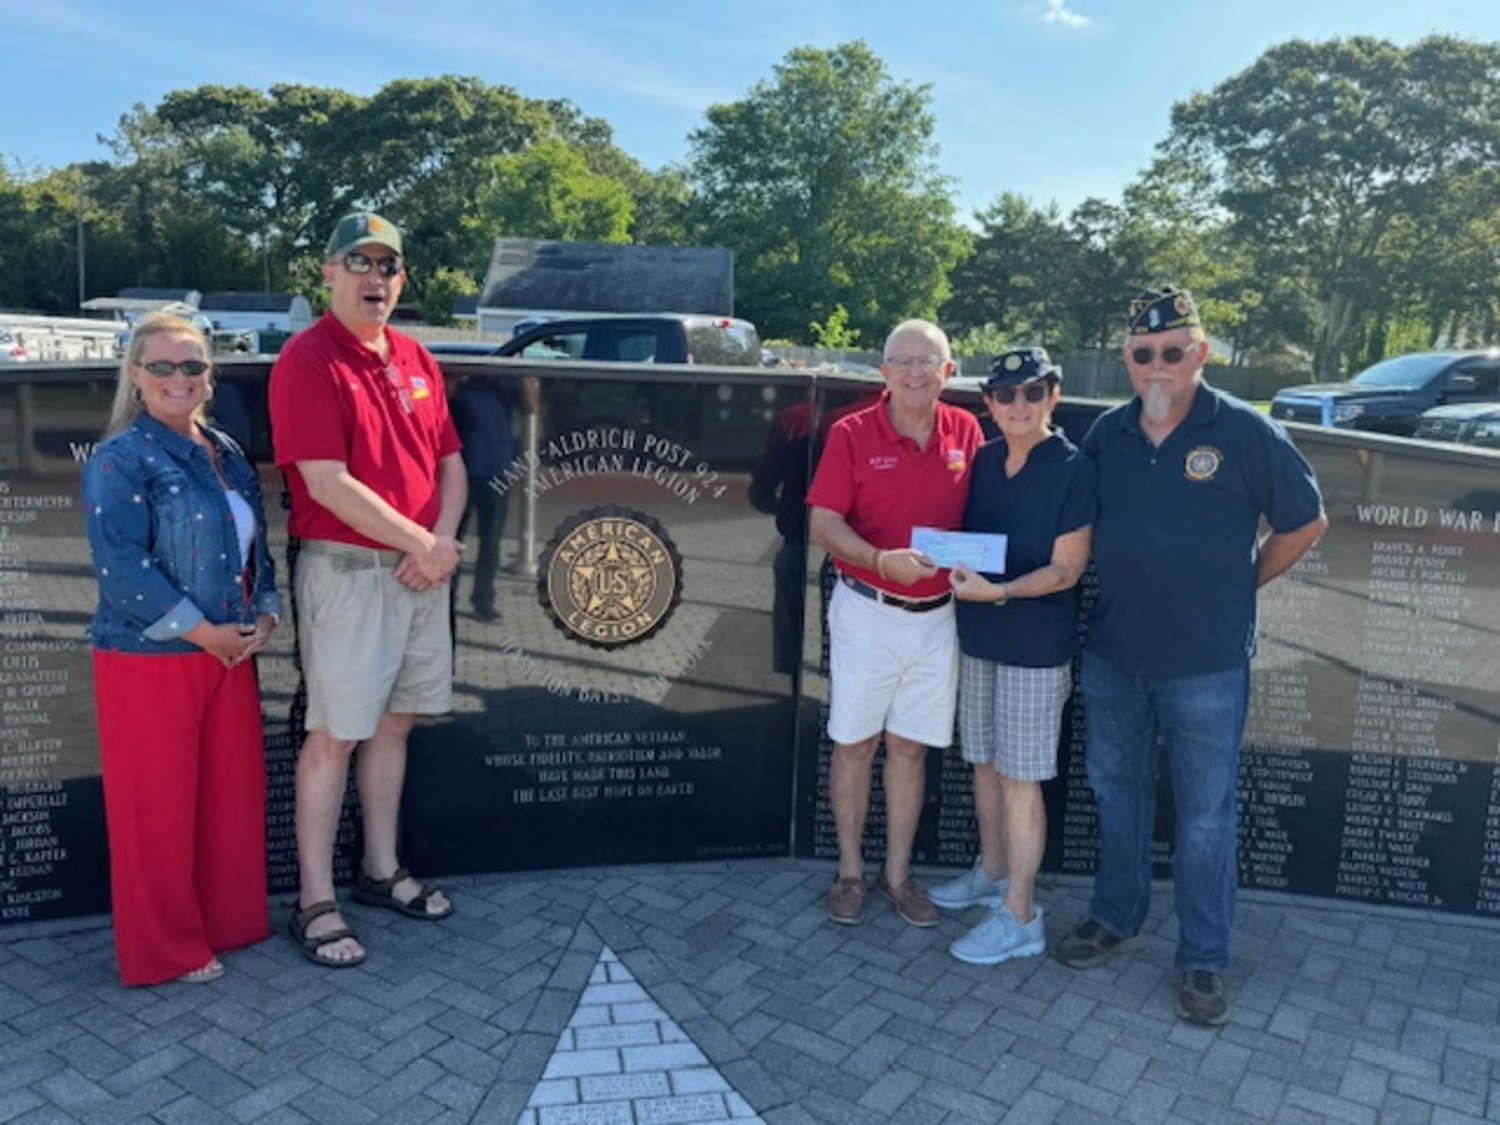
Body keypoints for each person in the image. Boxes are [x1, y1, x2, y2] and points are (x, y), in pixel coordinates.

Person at [1054, 286, 1327, 1026]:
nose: (1158, 365)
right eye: (1144, 353)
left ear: (1201, 353)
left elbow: (1306, 521)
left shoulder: (1242, 431)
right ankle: (1117, 914)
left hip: (1206, 661)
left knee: (1205, 817)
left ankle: (1204, 958)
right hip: (1115, 651)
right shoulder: (1107, 434)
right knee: (1117, 791)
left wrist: (1241, 586)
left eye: (1174, 351)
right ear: (1127, 359)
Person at [269, 212, 466, 968]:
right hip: (350, 574)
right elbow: (325, 480)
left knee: (395, 724)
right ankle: (314, 898)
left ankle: (380, 870)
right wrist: (423, 544)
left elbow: (450, 460)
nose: (375, 279)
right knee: (335, 735)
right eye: (360, 263)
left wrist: (436, 545)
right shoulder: (308, 359)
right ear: (327, 272)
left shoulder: (416, 355)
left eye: (388, 267)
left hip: (421, 573)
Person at [82, 312, 282, 986]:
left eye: (192, 365)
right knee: (157, 815)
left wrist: (266, 614)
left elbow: (256, 550)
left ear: (209, 375)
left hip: (229, 651)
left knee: (229, 798)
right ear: (136, 376)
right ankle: (166, 951)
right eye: (162, 366)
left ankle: (228, 923)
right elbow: (122, 568)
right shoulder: (119, 458)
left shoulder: (223, 448)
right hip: (149, 657)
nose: (179, 378)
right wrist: (206, 632)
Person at [806, 319, 982, 927]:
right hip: (867, 610)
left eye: (927, 362)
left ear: (948, 372)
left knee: (909, 748)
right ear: (883, 371)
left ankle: (898, 875)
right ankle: (851, 873)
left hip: (939, 618)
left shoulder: (968, 431)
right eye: (902, 361)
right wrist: (881, 560)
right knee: (854, 745)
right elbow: (824, 524)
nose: (914, 372)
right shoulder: (852, 433)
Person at [934, 348, 1096, 965]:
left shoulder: (1076, 469)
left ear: (1054, 396)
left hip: (1034, 648)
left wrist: (998, 591)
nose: (1020, 405)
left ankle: (1021, 915)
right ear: (990, 405)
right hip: (978, 639)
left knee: (1021, 781)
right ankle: (993, 873)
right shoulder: (981, 460)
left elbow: (1067, 568)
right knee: (983, 765)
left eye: (1034, 392)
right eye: (1007, 395)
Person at [449, 370, 537, 622]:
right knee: (452, 539)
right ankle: (445, 597)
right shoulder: (459, 374)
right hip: (460, 469)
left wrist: (526, 375)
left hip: (497, 470)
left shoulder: (505, 376)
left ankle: (483, 599)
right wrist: (459, 377)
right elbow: (441, 402)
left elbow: (531, 407)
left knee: (491, 542)